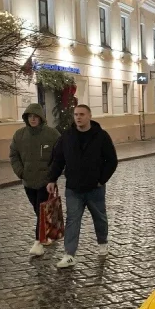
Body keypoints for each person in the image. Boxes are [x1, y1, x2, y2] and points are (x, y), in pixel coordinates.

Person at [47, 104, 118, 269]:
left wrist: (101, 179)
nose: (78, 117)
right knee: (72, 220)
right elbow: (58, 160)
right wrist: (51, 179)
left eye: (82, 114)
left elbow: (112, 161)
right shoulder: (67, 137)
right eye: (76, 114)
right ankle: (69, 254)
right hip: (73, 188)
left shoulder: (101, 136)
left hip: (95, 188)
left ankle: (102, 243)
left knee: (99, 217)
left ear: (89, 116)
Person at [9, 103, 60, 256]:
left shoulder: (52, 134)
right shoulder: (20, 135)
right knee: (39, 211)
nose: (33, 119)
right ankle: (47, 235)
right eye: (30, 117)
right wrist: (20, 172)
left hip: (46, 182)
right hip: (28, 180)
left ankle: (38, 241)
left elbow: (60, 155)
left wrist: (53, 175)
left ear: (41, 118)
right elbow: (14, 155)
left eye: (35, 117)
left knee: (41, 209)